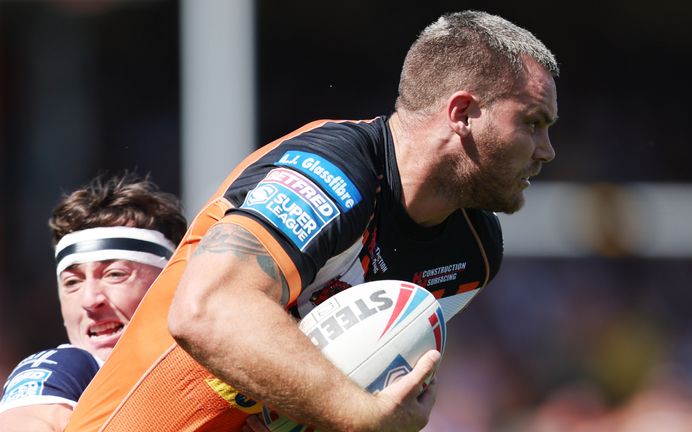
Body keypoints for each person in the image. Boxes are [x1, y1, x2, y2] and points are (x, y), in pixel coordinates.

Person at [66, 10, 559, 432]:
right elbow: (205, 312)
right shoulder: (334, 167)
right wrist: (362, 415)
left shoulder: (472, 253)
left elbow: (352, 383)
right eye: (532, 123)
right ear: (462, 112)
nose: (546, 151)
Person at [0, 174, 187, 431]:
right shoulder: (63, 370)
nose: (90, 300)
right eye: (72, 282)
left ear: (171, 283)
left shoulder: (228, 374)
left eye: (115, 275)